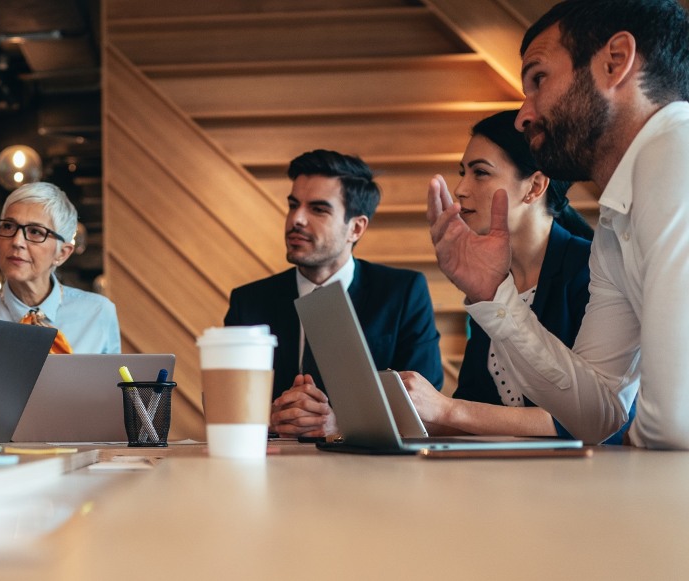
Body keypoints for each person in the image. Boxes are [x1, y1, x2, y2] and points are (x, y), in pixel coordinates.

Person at [427, 0, 689, 448]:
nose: (523, 114)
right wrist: (494, 296)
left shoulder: (677, 156)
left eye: (538, 79)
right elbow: (599, 415)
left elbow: (673, 426)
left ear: (615, 62)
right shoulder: (611, 223)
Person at [401, 110, 632, 444]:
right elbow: (477, 403)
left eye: (480, 173)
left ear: (535, 186)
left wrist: (447, 410)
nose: (461, 189)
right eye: (462, 173)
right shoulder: (492, 277)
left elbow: (592, 421)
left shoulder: (593, 269)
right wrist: (364, 422)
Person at [225, 150, 443, 438]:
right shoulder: (248, 302)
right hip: (274, 469)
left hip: (373, 473)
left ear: (355, 227)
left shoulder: (402, 293)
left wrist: (341, 425)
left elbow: (426, 408)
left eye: (318, 209)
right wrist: (270, 417)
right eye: (293, 205)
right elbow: (226, 403)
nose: (296, 219)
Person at [0, 182, 119, 358]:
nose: (16, 241)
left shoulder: (99, 313)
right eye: (8, 226)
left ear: (62, 253)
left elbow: (113, 385)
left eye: (35, 231)